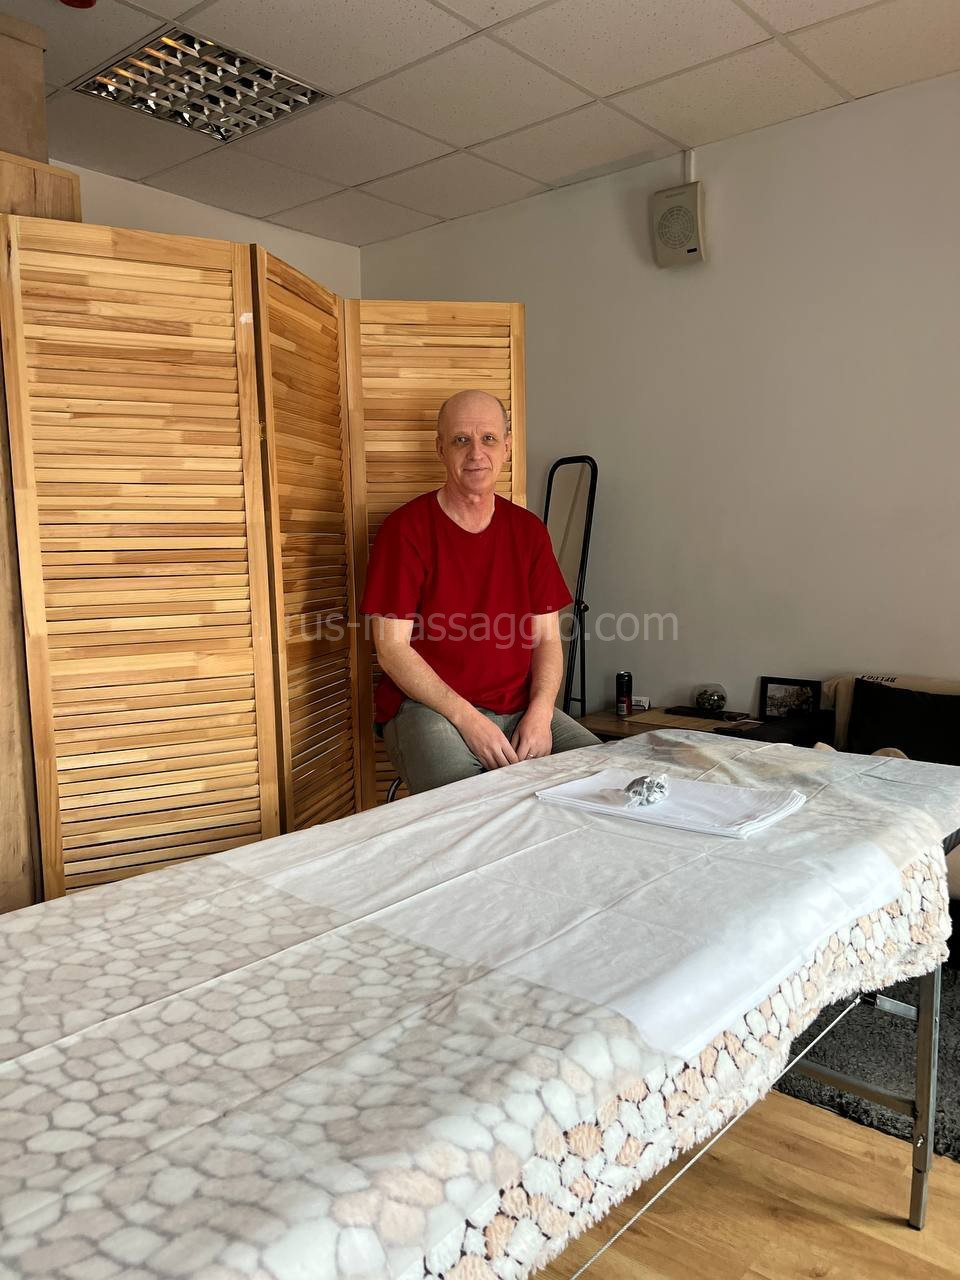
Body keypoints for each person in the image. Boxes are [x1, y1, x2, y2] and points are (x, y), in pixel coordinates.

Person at [360, 389, 600, 794]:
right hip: (430, 710)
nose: (476, 453)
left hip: (521, 708)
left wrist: (542, 713)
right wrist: (468, 720)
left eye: (488, 438)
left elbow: (546, 638)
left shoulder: (528, 532)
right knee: (473, 802)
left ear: (507, 446)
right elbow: (392, 650)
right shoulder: (404, 531)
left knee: (606, 780)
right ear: (441, 449)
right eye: (461, 440)